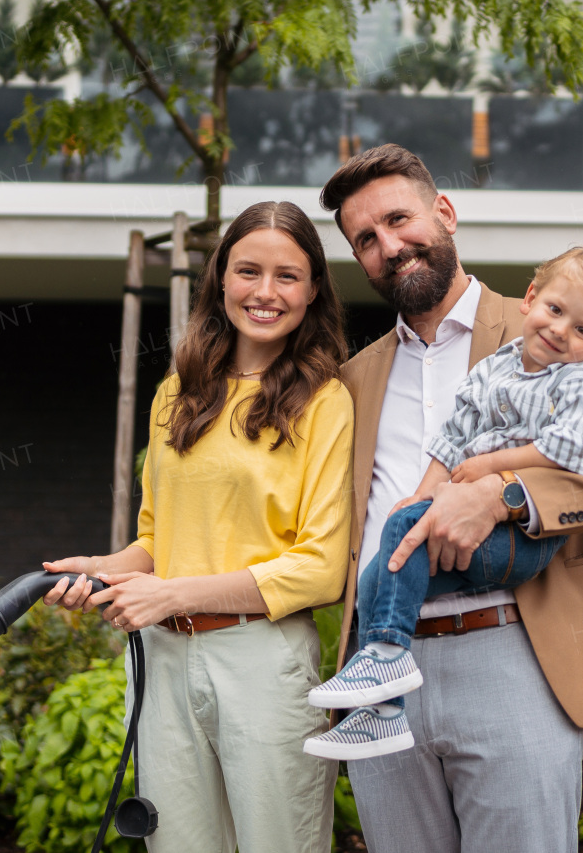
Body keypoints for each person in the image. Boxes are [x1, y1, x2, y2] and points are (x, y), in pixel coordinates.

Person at [319, 144, 583, 852]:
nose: (390, 246)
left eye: (399, 219)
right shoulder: (353, 378)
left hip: (514, 649)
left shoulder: (550, 328)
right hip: (379, 671)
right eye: (367, 239)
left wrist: (504, 495)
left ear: (444, 213)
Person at [41, 201, 352, 853]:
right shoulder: (177, 391)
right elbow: (156, 541)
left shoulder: (325, 401)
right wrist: (99, 570)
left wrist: (174, 594)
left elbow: (320, 569)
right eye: (248, 271)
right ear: (220, 279)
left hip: (263, 663)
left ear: (314, 289)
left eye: (287, 276)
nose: (265, 293)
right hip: (163, 664)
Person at [304, 248, 583, 761]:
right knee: (383, 569)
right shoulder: (496, 367)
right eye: (555, 310)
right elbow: (453, 437)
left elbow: (570, 448)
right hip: (468, 554)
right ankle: (384, 712)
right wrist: (422, 497)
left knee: (402, 543)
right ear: (531, 299)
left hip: (521, 544)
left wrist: (493, 473)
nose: (560, 331)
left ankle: (387, 663)